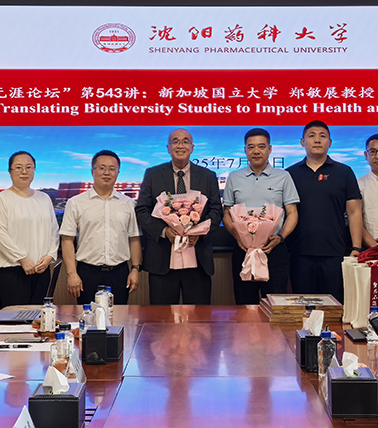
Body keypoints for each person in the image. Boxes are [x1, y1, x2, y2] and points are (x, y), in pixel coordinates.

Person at [135, 128, 223, 305]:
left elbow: (216, 211)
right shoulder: (153, 174)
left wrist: (199, 232)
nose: (180, 145)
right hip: (162, 260)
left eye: (185, 141)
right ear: (168, 148)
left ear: (192, 147)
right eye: (175, 141)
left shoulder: (208, 176)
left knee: (199, 318)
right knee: (161, 318)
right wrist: (164, 231)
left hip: (198, 259)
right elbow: (142, 210)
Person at [286, 120, 363, 303]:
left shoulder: (344, 172)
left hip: (335, 253)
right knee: (304, 308)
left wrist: (356, 247)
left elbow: (354, 212)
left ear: (330, 142)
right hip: (299, 254)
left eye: (322, 136)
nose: (317, 140)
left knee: (334, 308)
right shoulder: (289, 174)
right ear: (303, 142)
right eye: (311, 136)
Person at [223, 128, 299, 304]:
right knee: (245, 304)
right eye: (251, 147)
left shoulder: (283, 176)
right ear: (245, 150)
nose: (256, 151)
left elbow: (292, 213)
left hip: (274, 250)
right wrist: (239, 237)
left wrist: (280, 237)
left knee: (275, 305)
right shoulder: (234, 177)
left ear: (270, 149)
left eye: (261, 146)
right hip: (244, 250)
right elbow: (226, 213)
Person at [60, 150, 142, 304]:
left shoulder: (128, 204)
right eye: (102, 168)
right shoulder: (76, 202)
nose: (107, 173)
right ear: (93, 171)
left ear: (118, 173)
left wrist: (135, 269)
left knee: (118, 316)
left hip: (120, 273)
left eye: (112, 169)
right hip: (87, 273)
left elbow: (134, 239)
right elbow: (67, 240)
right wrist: (72, 274)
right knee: (87, 316)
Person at [0, 151, 59, 308]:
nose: (24, 172)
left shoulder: (44, 198)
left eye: (29, 167)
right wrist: (22, 259)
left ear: (34, 170)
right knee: (15, 319)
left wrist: (49, 256)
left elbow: (54, 231)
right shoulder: (1, 199)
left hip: (41, 270)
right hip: (13, 271)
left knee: (39, 318)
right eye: (18, 167)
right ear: (10, 171)